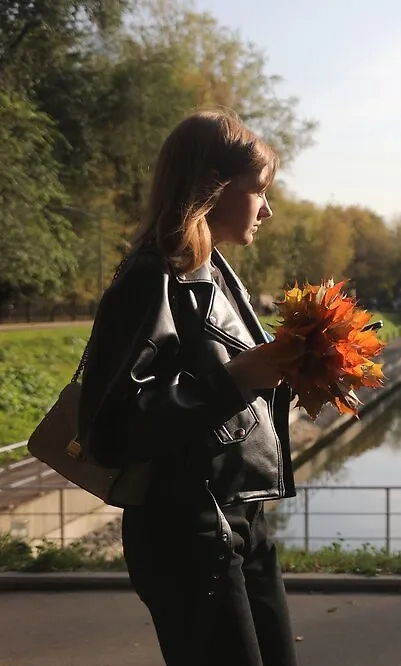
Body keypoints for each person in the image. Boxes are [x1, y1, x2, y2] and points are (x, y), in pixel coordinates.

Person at [78, 107, 302, 666]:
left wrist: (291, 379)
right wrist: (239, 379)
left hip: (241, 518)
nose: (266, 209)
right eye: (257, 191)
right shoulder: (150, 276)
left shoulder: (216, 272)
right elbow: (110, 430)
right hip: (190, 533)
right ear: (213, 188)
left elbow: (222, 401)